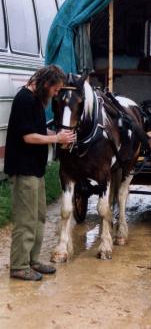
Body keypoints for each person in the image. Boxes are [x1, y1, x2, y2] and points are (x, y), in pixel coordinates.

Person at [4, 65, 76, 281]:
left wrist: (59, 134)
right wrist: (56, 139)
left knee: (38, 218)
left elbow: (38, 130)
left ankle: (32, 260)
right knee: (25, 219)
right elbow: (28, 136)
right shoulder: (24, 100)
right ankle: (18, 265)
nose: (56, 94)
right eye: (56, 89)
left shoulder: (35, 99)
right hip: (23, 168)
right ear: (47, 84)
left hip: (35, 169)